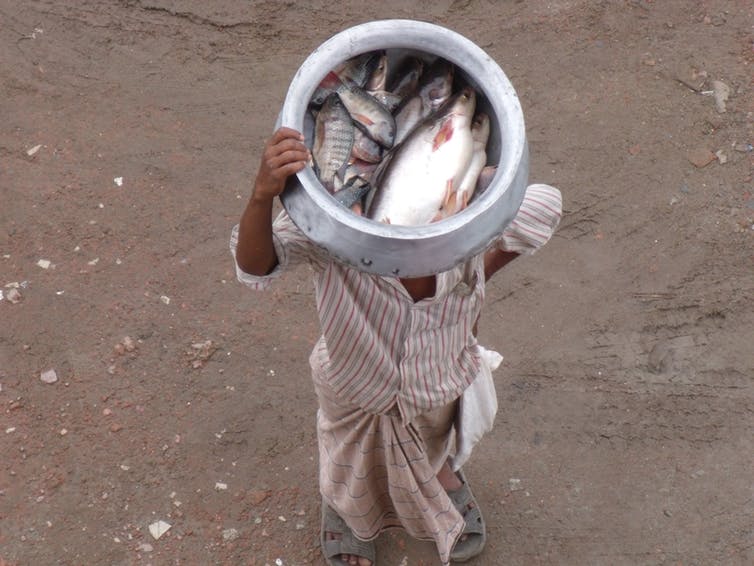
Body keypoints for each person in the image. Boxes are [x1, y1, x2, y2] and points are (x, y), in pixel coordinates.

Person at [231, 127, 562, 565]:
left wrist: (480, 261)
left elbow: (544, 204)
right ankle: (351, 513)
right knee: (353, 465)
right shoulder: (334, 228)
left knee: (432, 438)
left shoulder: (467, 220)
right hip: (356, 384)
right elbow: (255, 264)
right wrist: (261, 195)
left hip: (438, 379)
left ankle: (438, 470)